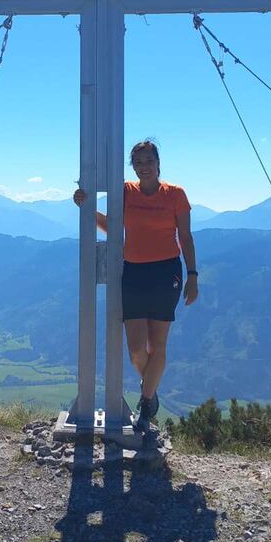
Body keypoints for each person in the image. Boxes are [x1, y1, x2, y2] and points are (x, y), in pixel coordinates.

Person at [73, 139, 198, 433]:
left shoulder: (176, 194)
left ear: (158, 163)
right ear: (132, 166)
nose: (144, 167)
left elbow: (185, 237)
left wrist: (193, 275)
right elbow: (113, 227)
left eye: (148, 161)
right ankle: (151, 388)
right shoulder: (126, 192)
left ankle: (146, 404)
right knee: (136, 351)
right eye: (138, 162)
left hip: (167, 273)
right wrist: (85, 205)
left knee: (158, 345)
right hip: (133, 272)